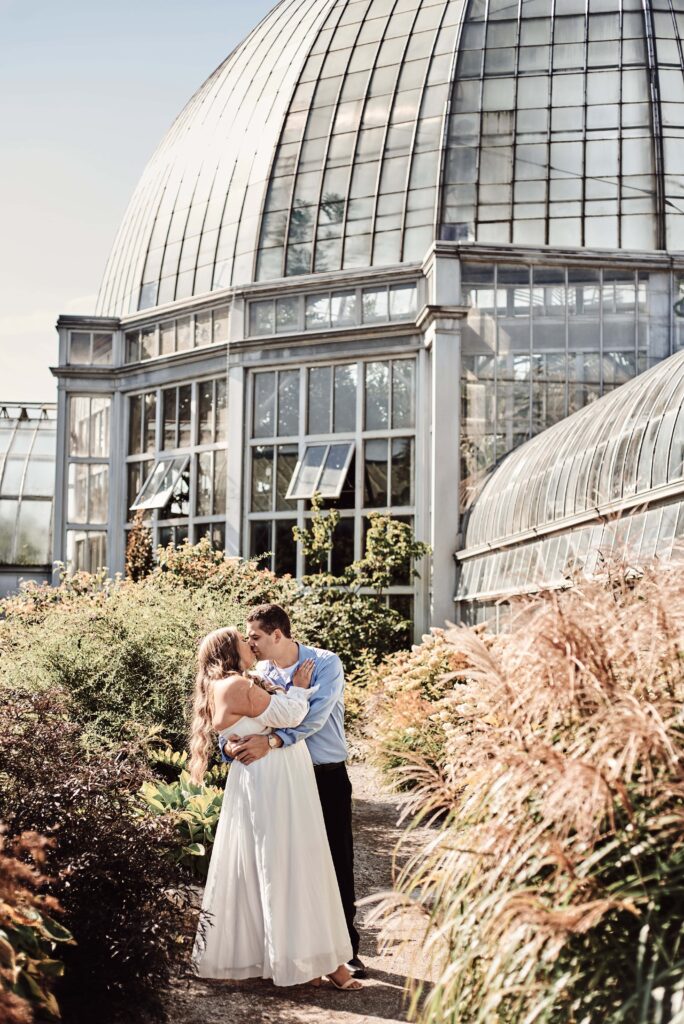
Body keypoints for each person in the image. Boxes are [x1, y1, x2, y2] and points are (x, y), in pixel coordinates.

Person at [189, 626, 362, 990]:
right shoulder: (242, 683)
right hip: (277, 781)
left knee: (294, 864)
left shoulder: (315, 665)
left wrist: (247, 743)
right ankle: (318, 961)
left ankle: (308, 958)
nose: (250, 644)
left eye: (253, 637)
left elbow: (231, 731)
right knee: (295, 865)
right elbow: (295, 715)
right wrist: (297, 689)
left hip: (284, 777)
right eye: (244, 640)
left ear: (277, 634)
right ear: (230, 651)